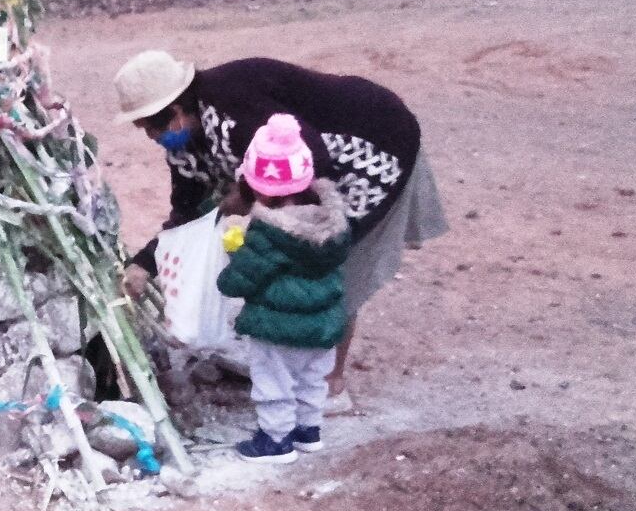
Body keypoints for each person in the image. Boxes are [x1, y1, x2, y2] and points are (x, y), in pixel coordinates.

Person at [112, 50, 448, 411]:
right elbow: (188, 211)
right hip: (308, 169)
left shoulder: (236, 110)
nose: (149, 136)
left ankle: (328, 384)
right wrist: (146, 262)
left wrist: (243, 195)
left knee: (329, 262)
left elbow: (312, 158)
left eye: (150, 126)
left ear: (175, 112)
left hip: (369, 147)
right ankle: (298, 367)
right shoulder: (186, 145)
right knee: (289, 258)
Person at [216, 114, 350, 463]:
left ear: (258, 185)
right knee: (311, 379)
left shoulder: (266, 234)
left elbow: (236, 282)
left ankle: (275, 440)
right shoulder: (331, 227)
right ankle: (308, 430)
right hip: (322, 325)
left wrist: (234, 255)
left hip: (277, 328)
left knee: (273, 383)